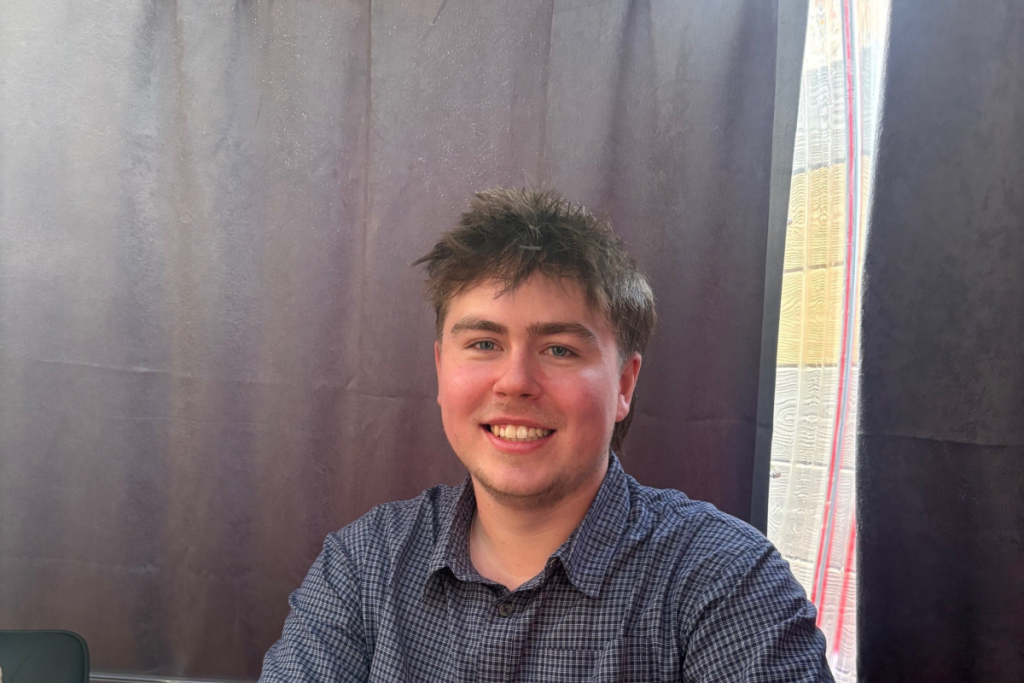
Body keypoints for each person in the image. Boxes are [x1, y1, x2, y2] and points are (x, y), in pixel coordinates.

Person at [259, 188, 833, 682]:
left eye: (559, 350)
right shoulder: (363, 565)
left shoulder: (725, 581)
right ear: (440, 370)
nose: (514, 381)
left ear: (624, 385)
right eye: (484, 343)